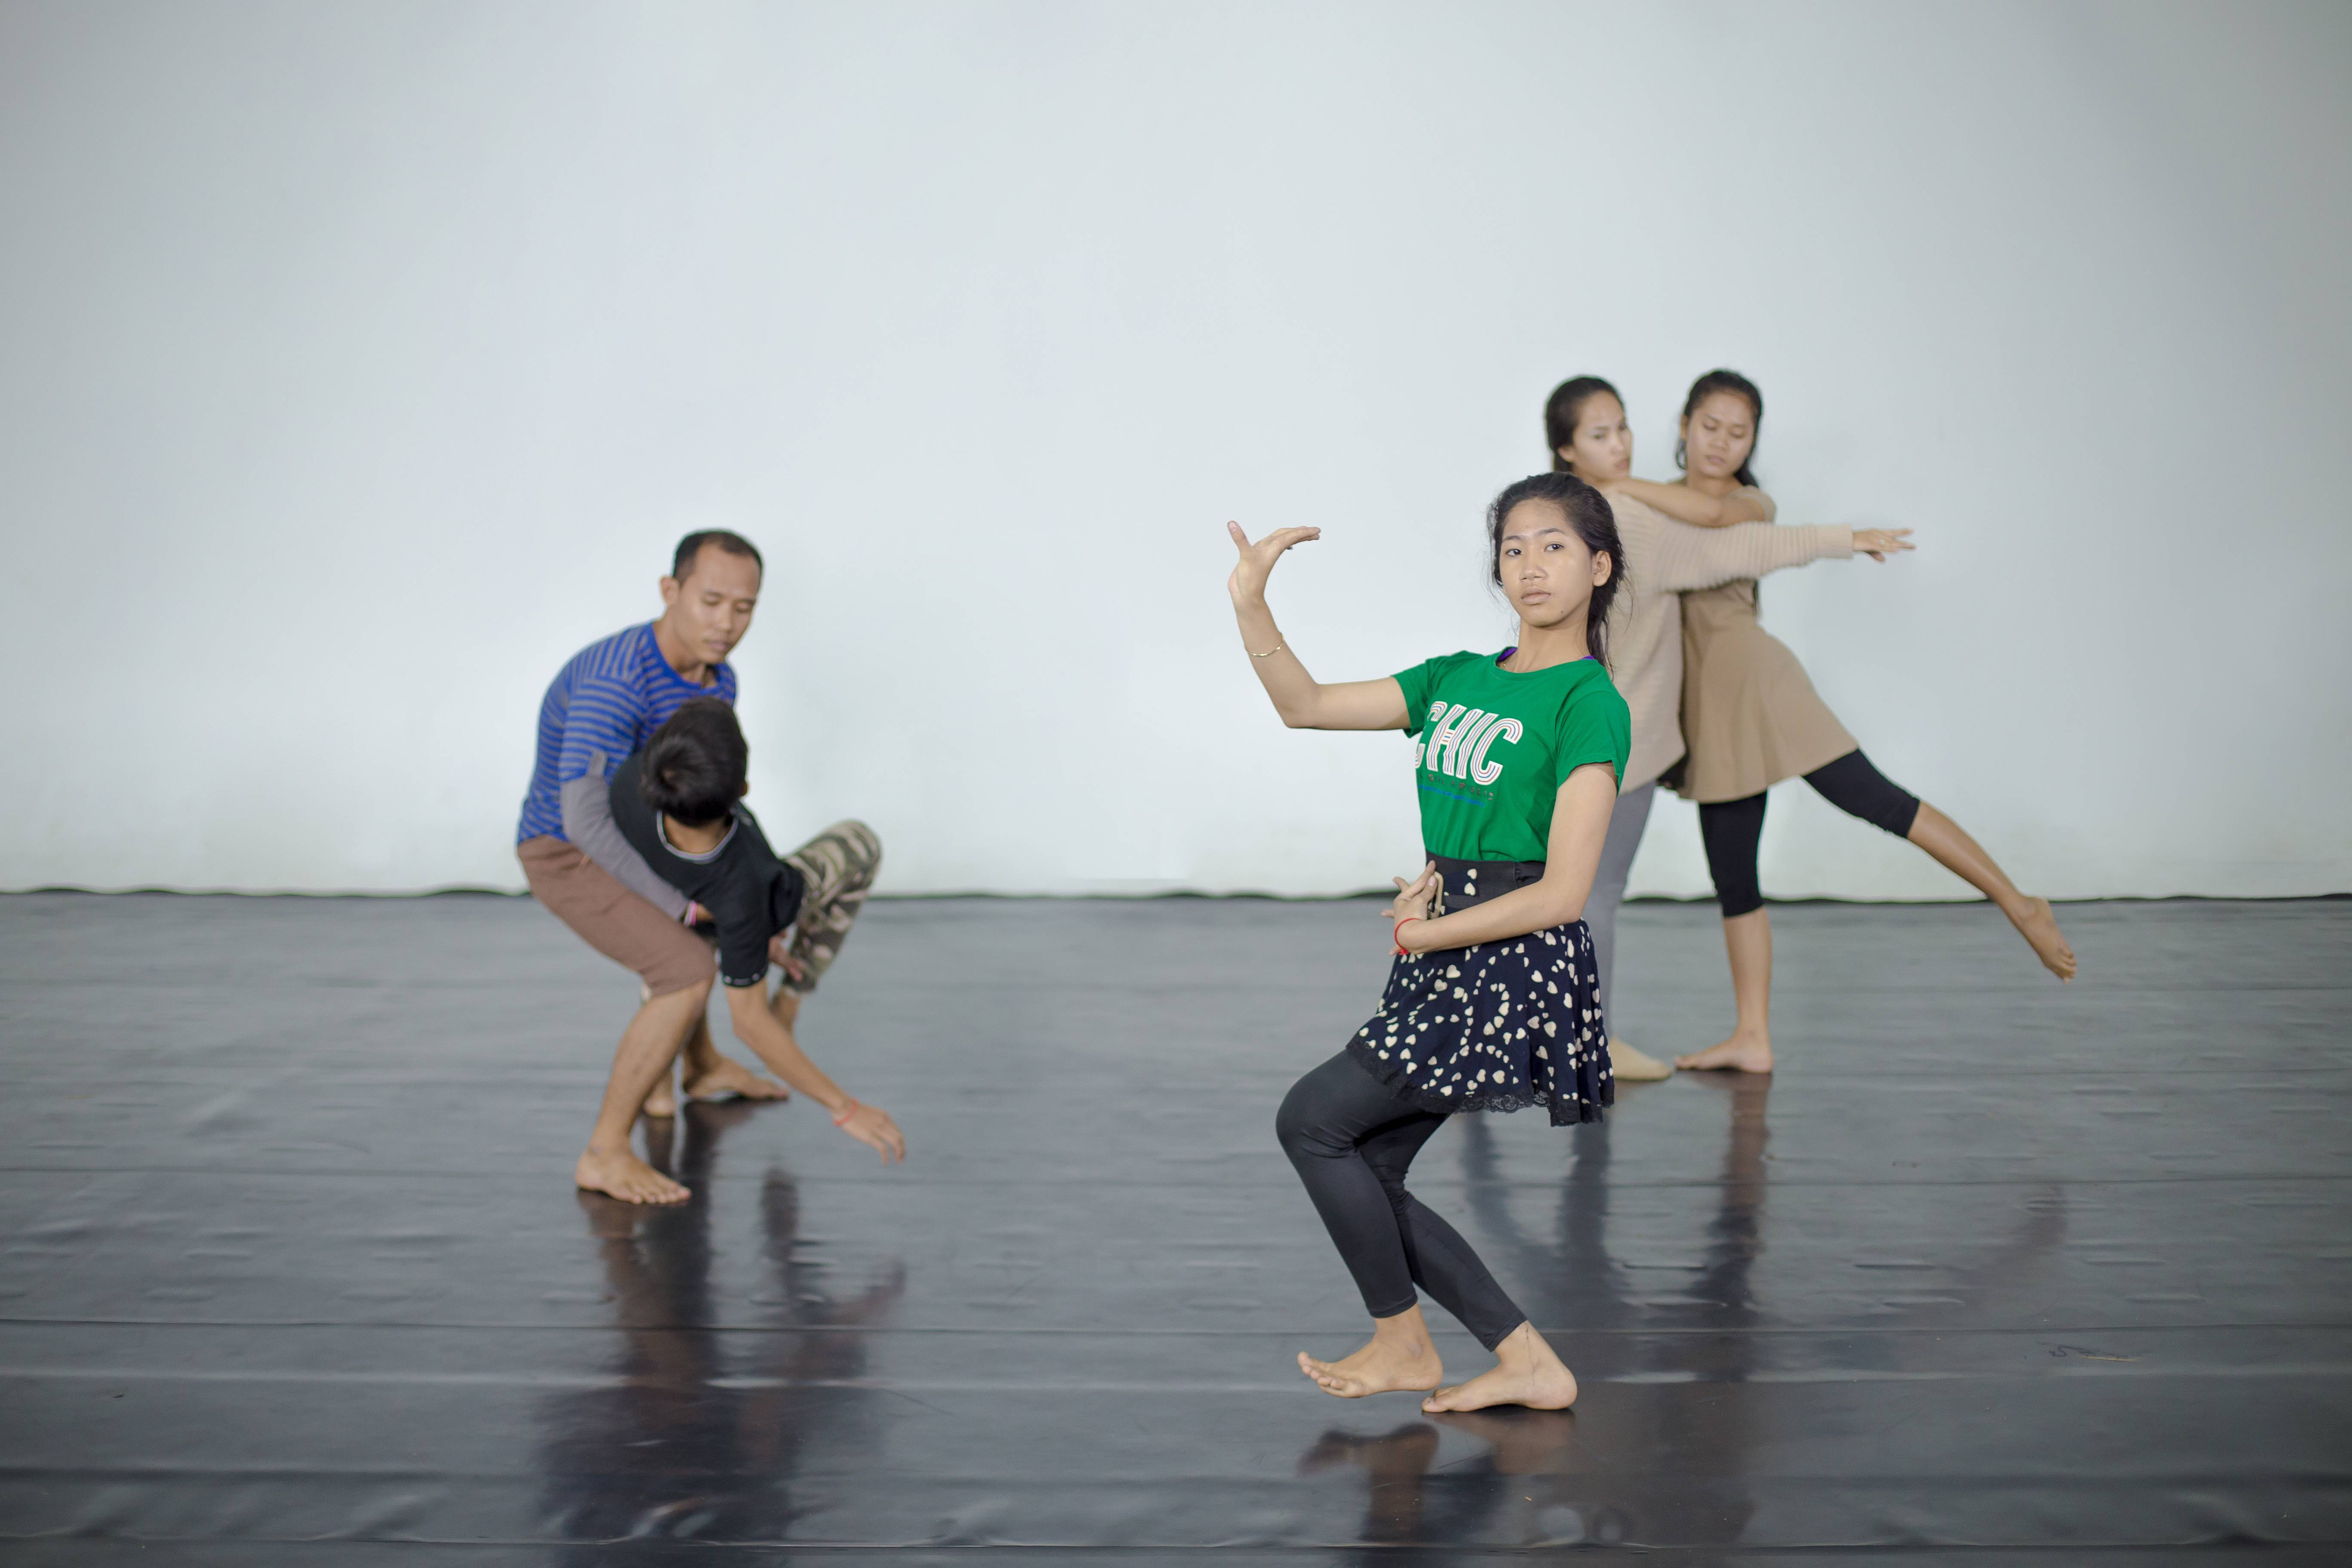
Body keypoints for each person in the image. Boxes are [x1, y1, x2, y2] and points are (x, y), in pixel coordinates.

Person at [1231, 471, 1629, 1414]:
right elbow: (1307, 704)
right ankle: (1524, 1360)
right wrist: (1251, 604)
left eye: (1556, 547)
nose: (1530, 566)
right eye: (1514, 548)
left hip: (1506, 962)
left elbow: (1565, 893)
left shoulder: (1589, 701)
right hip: (1447, 950)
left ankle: (1404, 1343)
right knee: (1364, 1159)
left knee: (1313, 1121)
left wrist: (1428, 929)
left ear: (1601, 566)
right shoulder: (1457, 677)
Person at [1598, 369, 2076, 1074]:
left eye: (1739, 432)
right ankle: (1751, 1035)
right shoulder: (1654, 508)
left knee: (1877, 800)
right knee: (1734, 877)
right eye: (1710, 426)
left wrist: (1614, 484)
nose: (1722, 443)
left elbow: (1709, 523)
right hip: (1709, 708)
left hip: (1757, 682)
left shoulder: (1745, 503)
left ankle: (2017, 900)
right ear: (1683, 426)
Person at [1537, 376, 1916, 1079]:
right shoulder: (1627, 514)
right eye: (1599, 433)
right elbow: (1731, 549)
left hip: (1559, 726)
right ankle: (1590, 1043)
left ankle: (1498, 1036)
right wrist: (1843, 539)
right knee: (1593, 893)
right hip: (1614, 741)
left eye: (1621, 427)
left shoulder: (1560, 514)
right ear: (1567, 447)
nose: (1619, 443)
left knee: (1529, 884)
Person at [513, 531, 799, 1202]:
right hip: (566, 852)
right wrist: (685, 906)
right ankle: (605, 1152)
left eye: (745, 608)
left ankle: (699, 1069)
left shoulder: (718, 679)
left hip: (643, 840)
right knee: (685, 969)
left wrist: (750, 906)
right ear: (670, 592)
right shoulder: (618, 680)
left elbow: (711, 807)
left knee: (702, 933)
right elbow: (584, 821)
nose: (727, 624)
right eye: (711, 602)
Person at [581, 698, 904, 1188]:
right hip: (750, 905)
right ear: (743, 793)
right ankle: (791, 1004)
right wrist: (846, 1107)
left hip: (675, 900)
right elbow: (750, 1026)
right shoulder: (744, 894)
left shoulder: (631, 781)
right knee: (861, 843)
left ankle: (665, 1085)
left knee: (676, 949)